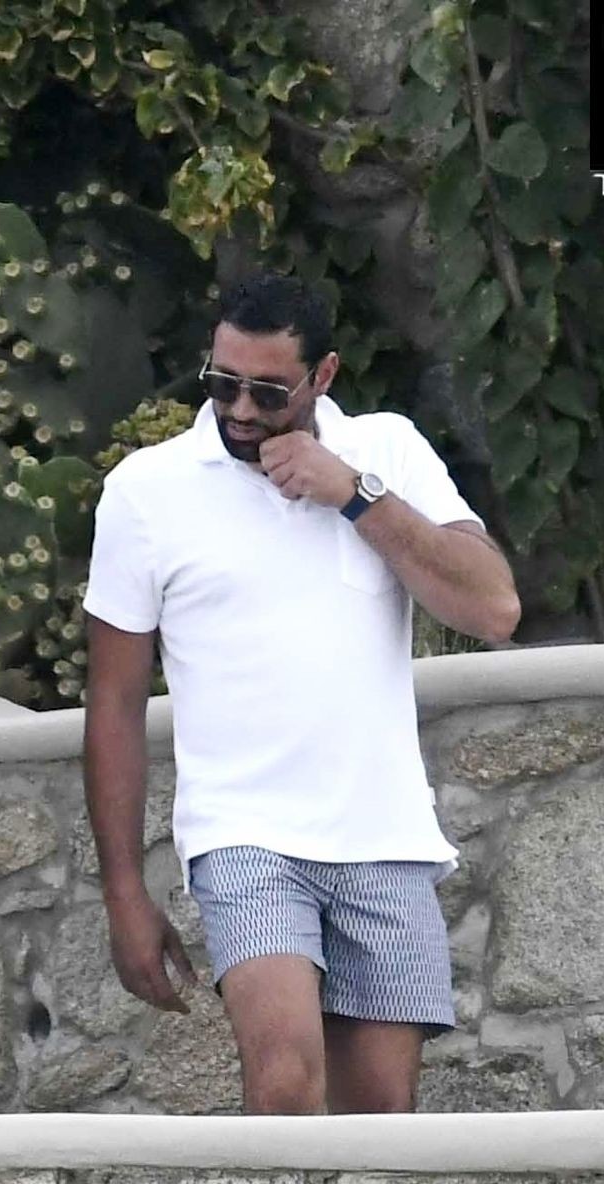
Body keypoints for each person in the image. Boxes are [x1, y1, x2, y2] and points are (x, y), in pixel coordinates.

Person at [81, 272, 520, 1115]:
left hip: (383, 836)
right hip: (244, 834)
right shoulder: (146, 489)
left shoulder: (385, 448)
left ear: (323, 376)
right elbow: (115, 706)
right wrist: (124, 893)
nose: (240, 411)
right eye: (222, 384)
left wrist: (353, 493)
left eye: (268, 391)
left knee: (380, 1120)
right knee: (283, 1085)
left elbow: (493, 606)